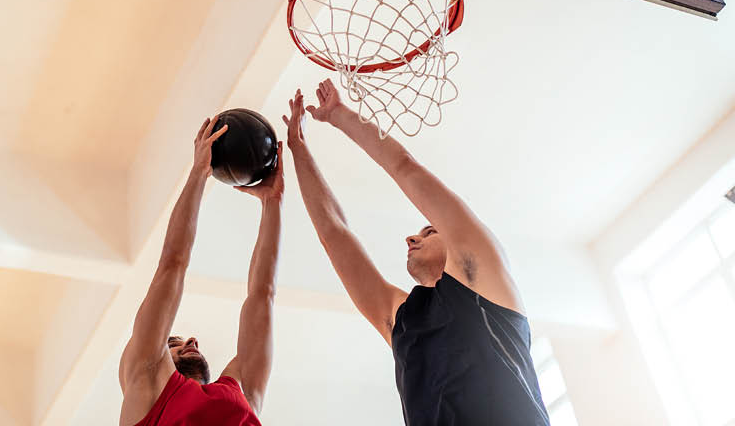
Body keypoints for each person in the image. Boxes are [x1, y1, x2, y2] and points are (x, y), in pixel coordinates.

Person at [284, 79, 550, 426]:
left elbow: (405, 167)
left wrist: (340, 116)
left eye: (429, 230)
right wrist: (299, 152)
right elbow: (334, 235)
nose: (412, 238)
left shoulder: (481, 272)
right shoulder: (402, 320)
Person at [118, 116, 284, 426]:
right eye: (174, 344)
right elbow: (172, 263)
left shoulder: (238, 394)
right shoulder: (147, 381)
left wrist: (272, 202)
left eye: (177, 341)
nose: (191, 340)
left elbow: (262, 296)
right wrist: (198, 172)